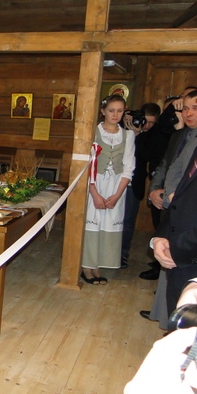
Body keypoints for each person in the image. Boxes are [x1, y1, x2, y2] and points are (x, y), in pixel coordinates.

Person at [81, 94, 135, 285]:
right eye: (111, 110)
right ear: (103, 111)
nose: (115, 114)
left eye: (119, 111)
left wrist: (117, 195)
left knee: (108, 223)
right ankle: (87, 266)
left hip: (116, 185)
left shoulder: (128, 135)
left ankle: (98, 265)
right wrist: (94, 193)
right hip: (94, 184)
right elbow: (87, 165)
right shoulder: (93, 132)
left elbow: (129, 166)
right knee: (92, 223)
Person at [152, 89, 197, 318]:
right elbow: (172, 172)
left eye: (195, 108)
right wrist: (160, 237)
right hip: (179, 234)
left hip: (189, 247)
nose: (189, 113)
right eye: (185, 108)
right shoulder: (184, 138)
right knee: (176, 309)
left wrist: (177, 248)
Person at [120, 102, 161, 268]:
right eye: (146, 121)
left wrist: (137, 136)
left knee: (128, 221)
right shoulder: (123, 126)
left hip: (135, 182)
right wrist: (124, 124)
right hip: (116, 180)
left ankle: (123, 254)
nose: (147, 125)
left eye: (152, 122)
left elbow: (149, 156)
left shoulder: (154, 135)